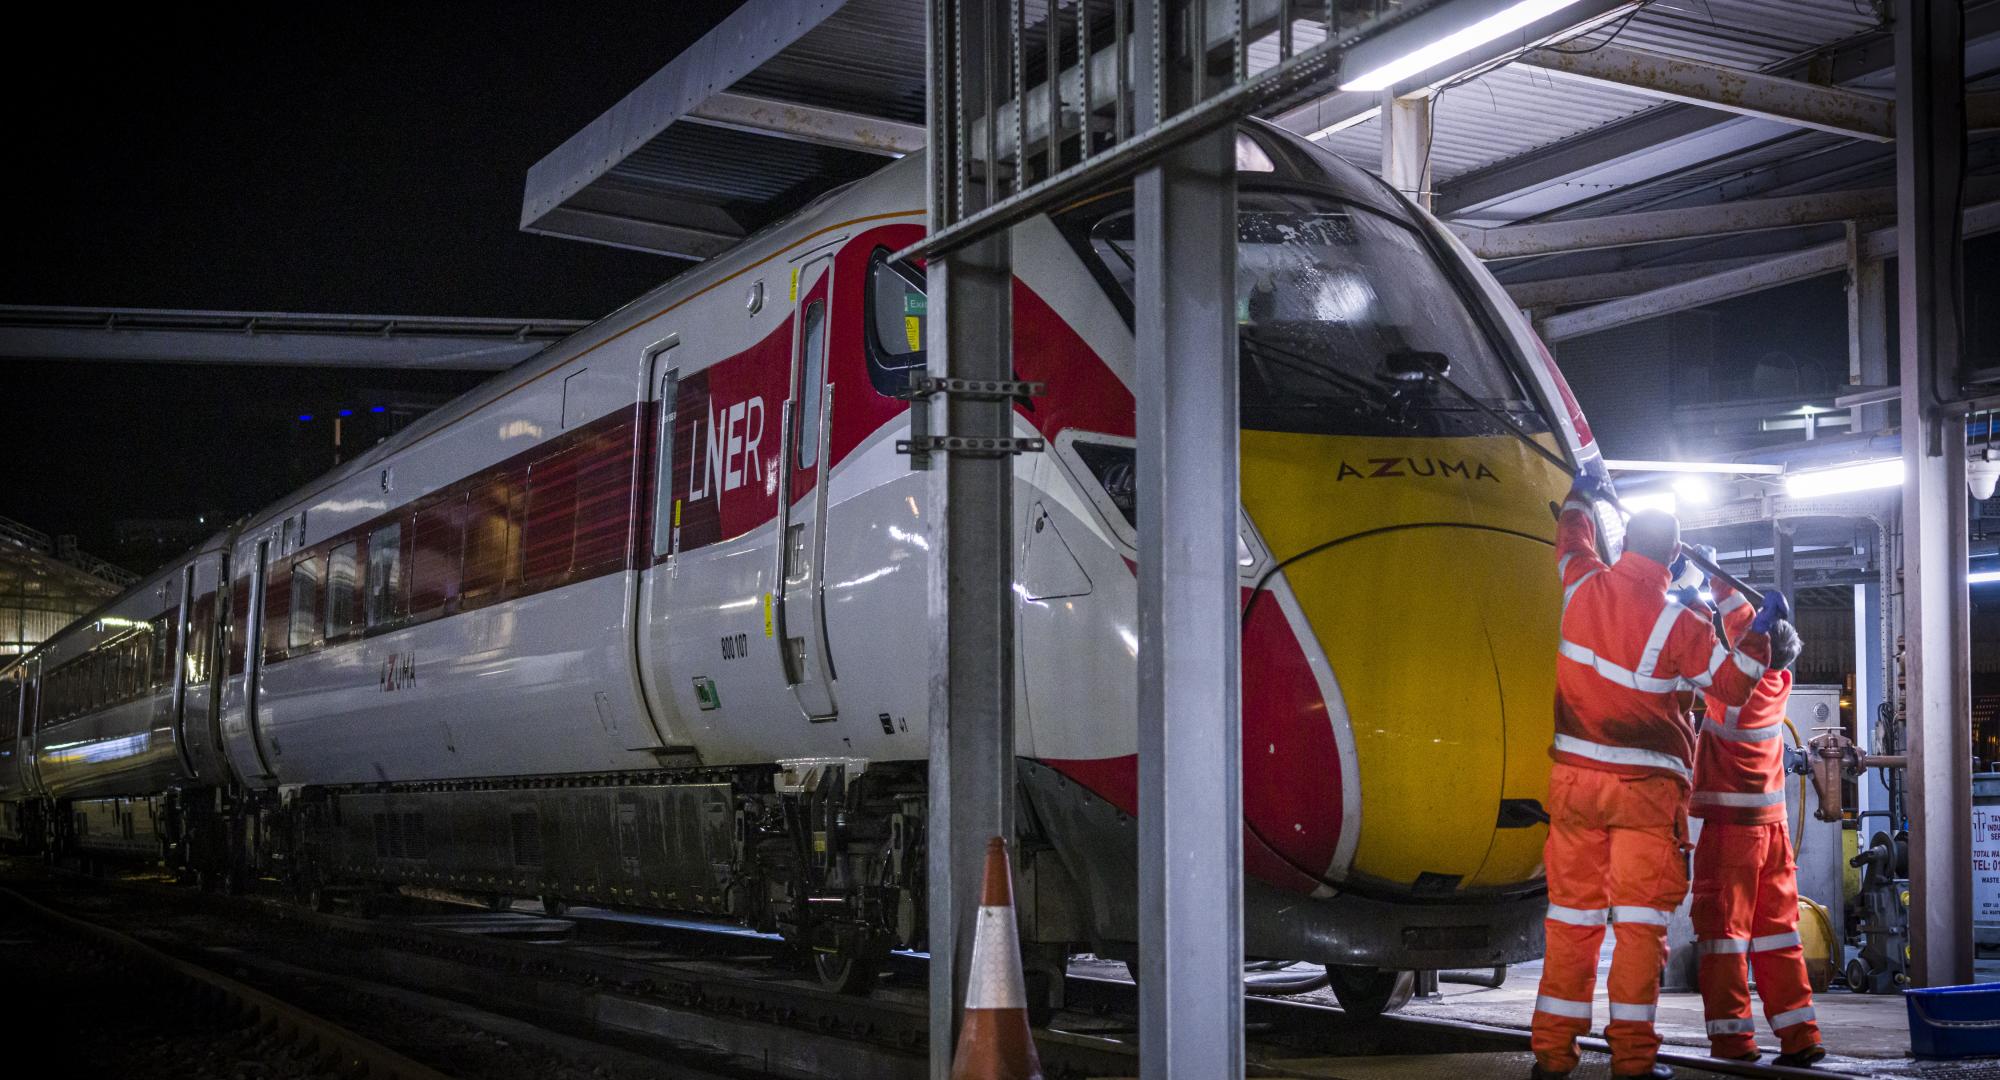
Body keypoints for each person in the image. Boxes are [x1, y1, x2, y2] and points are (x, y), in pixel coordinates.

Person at [1532, 473, 1788, 1080]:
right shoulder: (1681, 625)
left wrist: (1581, 495)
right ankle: (1632, 1064)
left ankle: (1551, 1058)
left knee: (1571, 922)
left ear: (1623, 547)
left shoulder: (1582, 583)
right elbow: (1730, 686)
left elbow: (1570, 537)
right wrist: (1762, 636)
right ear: (1674, 557)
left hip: (1574, 787)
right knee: (1640, 930)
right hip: (1645, 799)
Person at [1690, 573, 1825, 1068]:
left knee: (1724, 939)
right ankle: (1801, 1037)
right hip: (1774, 837)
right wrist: (1721, 586)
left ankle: (1733, 1044)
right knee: (1778, 937)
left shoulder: (1734, 695)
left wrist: (1694, 598)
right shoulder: (1779, 681)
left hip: (1731, 838)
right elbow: (1750, 638)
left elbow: (1724, 655)